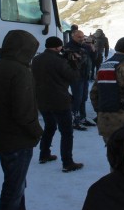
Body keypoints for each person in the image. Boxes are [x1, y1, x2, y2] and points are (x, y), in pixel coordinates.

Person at [0, 29, 43, 210]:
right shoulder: (20, 71)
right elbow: (23, 111)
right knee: (13, 189)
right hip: (19, 139)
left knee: (16, 184)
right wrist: (36, 131)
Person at [31, 36, 84, 173]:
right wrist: (75, 63)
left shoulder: (36, 59)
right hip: (59, 100)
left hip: (42, 99)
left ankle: (44, 154)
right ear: (57, 47)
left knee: (49, 126)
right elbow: (73, 77)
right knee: (66, 132)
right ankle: (67, 162)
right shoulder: (59, 61)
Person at [64, 30, 96, 130]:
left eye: (82, 37)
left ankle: (82, 118)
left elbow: (94, 57)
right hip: (76, 76)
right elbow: (76, 61)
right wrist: (83, 52)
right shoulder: (69, 47)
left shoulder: (84, 46)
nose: (82, 39)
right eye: (79, 37)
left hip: (84, 76)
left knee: (84, 98)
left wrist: (92, 47)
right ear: (73, 36)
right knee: (77, 99)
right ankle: (75, 120)